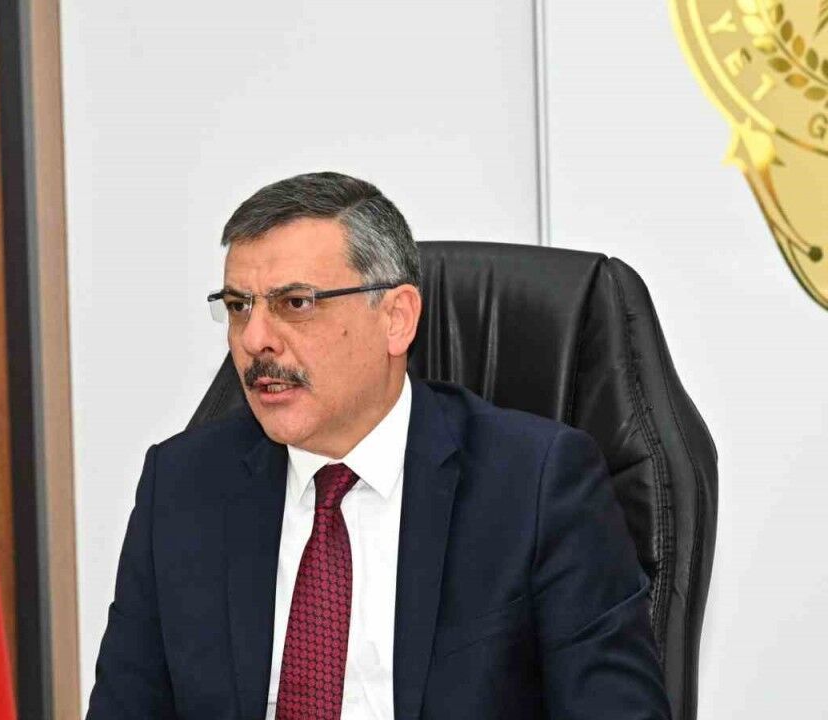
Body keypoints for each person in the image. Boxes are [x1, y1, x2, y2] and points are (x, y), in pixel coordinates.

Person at [86, 172, 669, 719]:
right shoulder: (181, 486)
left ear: (397, 318)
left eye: (295, 303)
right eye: (240, 306)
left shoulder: (536, 484)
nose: (255, 339)